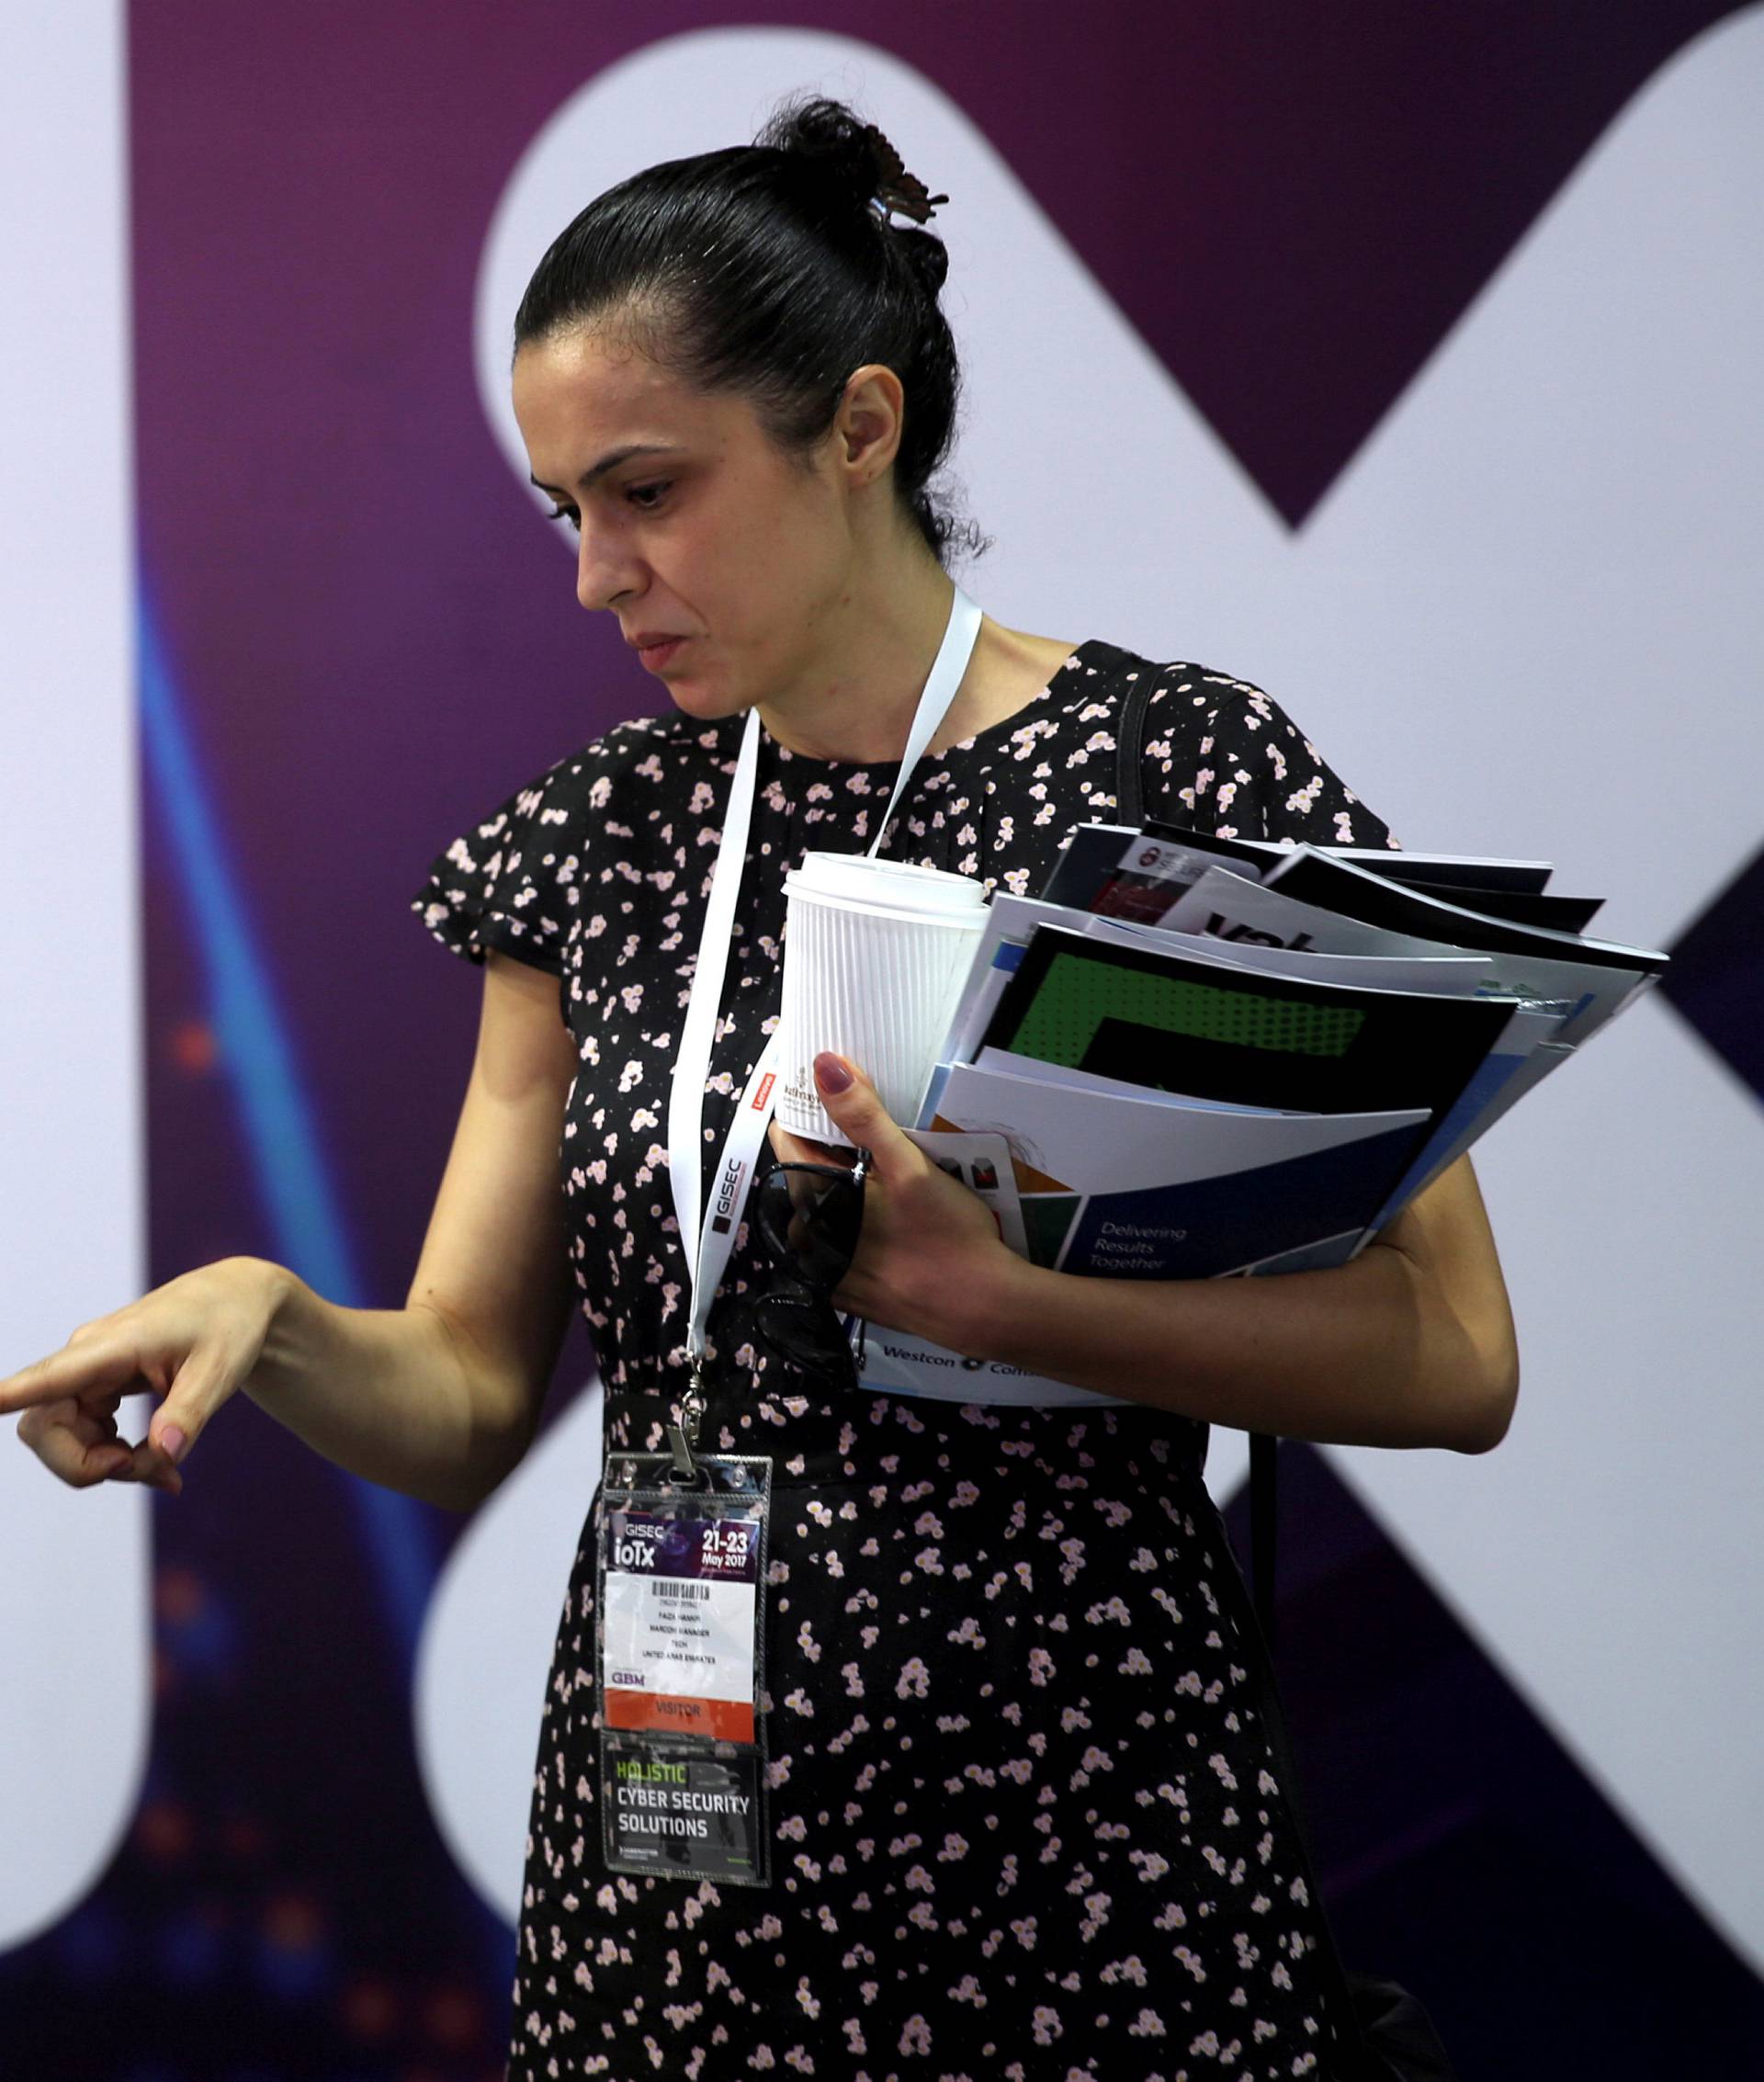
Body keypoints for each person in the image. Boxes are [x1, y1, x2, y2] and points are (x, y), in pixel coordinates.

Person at [2, 94, 1517, 2080]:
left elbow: (1455, 1350)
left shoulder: (1178, 776)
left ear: (861, 426)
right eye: (568, 511)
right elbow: (467, 1391)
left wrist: (1008, 1304)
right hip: (674, 1871)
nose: (598, 574)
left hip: (1098, 1846)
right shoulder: (595, 841)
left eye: (649, 489)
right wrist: (273, 1319)